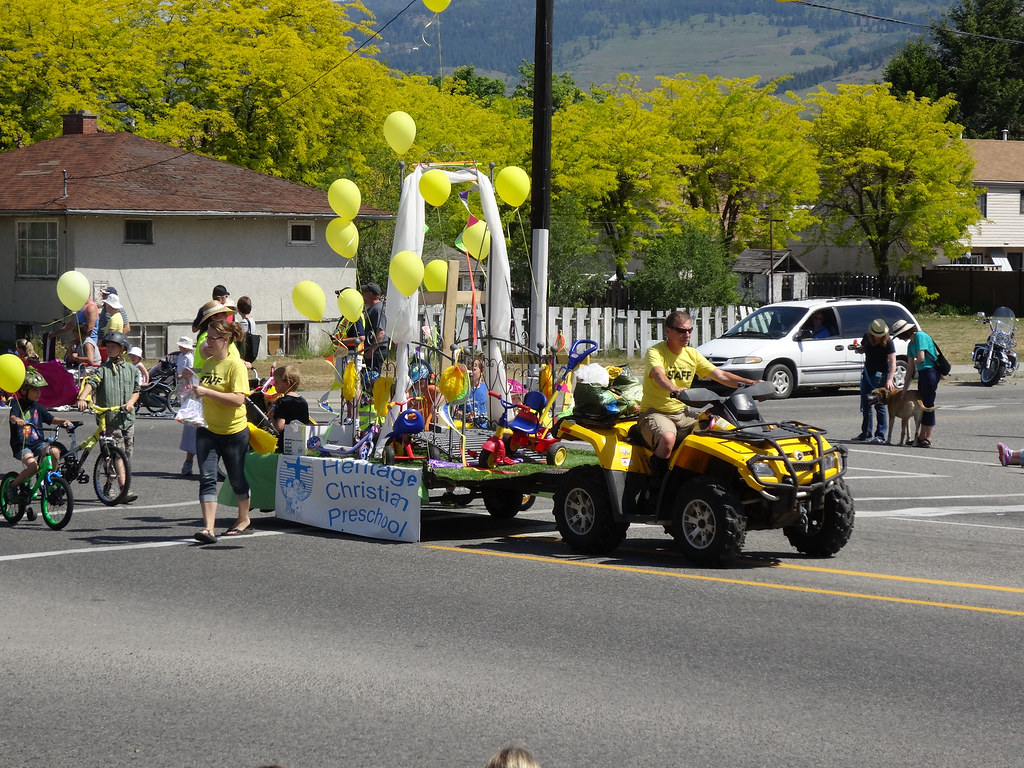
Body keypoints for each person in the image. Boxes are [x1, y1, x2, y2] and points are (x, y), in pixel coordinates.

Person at [639, 310, 759, 496]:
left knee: (720, 428)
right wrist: (674, 388)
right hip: (656, 413)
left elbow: (720, 375)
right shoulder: (656, 352)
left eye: (689, 330)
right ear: (668, 331)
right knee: (668, 438)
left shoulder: (692, 355)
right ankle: (656, 486)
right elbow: (658, 375)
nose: (686, 335)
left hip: (682, 413)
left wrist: (749, 383)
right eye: (681, 331)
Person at [192, 317, 252, 543]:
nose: (208, 342)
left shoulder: (236, 365)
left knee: (235, 478)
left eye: (212, 338)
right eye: (207, 337)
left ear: (226, 340)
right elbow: (203, 393)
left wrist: (207, 393)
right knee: (206, 477)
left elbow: (238, 400)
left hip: (233, 431)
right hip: (207, 429)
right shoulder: (207, 364)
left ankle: (244, 518)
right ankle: (208, 528)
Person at [77, 330, 140, 503]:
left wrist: (131, 403)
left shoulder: (131, 370)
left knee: (125, 456)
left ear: (123, 349)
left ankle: (109, 485)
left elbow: (136, 391)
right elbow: (91, 383)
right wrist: (83, 398)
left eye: (113, 346)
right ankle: (123, 488)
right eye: (108, 346)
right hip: (109, 420)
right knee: (116, 455)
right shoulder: (103, 370)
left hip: (127, 419)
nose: (109, 349)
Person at [6, 367, 76, 513]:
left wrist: (65, 421)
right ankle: (12, 486)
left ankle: (51, 482)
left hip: (37, 443)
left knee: (55, 452)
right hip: (22, 445)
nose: (38, 393)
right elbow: (13, 416)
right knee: (33, 467)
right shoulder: (17, 404)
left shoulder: (38, 406)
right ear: (24, 391)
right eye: (35, 390)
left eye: (39, 390)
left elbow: (51, 419)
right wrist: (17, 419)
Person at [891, 318, 937, 448]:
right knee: (922, 404)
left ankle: (927, 437)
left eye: (899, 335)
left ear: (905, 332)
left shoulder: (920, 336)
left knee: (928, 404)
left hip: (931, 372)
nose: (899, 338)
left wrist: (914, 363)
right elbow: (910, 368)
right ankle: (920, 437)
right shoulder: (910, 345)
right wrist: (904, 389)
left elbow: (921, 358)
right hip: (923, 374)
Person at [852, 318, 895, 443]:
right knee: (866, 404)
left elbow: (893, 362)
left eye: (880, 335)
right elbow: (863, 348)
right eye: (876, 335)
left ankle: (880, 435)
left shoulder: (888, 342)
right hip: (867, 373)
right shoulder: (867, 337)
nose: (877, 337)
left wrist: (890, 379)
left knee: (879, 405)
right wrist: (857, 349)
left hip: (881, 375)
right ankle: (866, 433)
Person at [269, 365, 311, 453]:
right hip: (301, 441)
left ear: (287, 383)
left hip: (286, 443)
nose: (274, 385)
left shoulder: (282, 402)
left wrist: (272, 417)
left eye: (276, 382)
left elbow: (280, 427)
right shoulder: (303, 401)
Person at [174, 335, 199, 476]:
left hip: (192, 385)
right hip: (187, 387)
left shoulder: (190, 357)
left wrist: (182, 376)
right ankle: (189, 461)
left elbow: (190, 371)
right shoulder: (181, 356)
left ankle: (191, 461)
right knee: (191, 424)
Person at [361, 282, 389, 374]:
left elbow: (380, 332)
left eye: (365, 291)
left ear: (371, 294)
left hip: (377, 350)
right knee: (366, 377)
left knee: (372, 378)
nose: (363, 293)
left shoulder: (377, 309)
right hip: (373, 349)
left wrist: (372, 350)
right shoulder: (372, 308)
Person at [461, 356, 489, 427]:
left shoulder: (486, 388)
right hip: (468, 427)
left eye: (473, 369)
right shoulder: (462, 389)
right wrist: (466, 415)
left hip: (486, 426)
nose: (470, 372)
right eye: (468, 370)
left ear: (482, 371)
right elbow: (455, 410)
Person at [236, 295, 260, 363]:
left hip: (245, 349)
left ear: (239, 309)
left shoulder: (244, 322)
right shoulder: (251, 320)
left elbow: (240, 336)